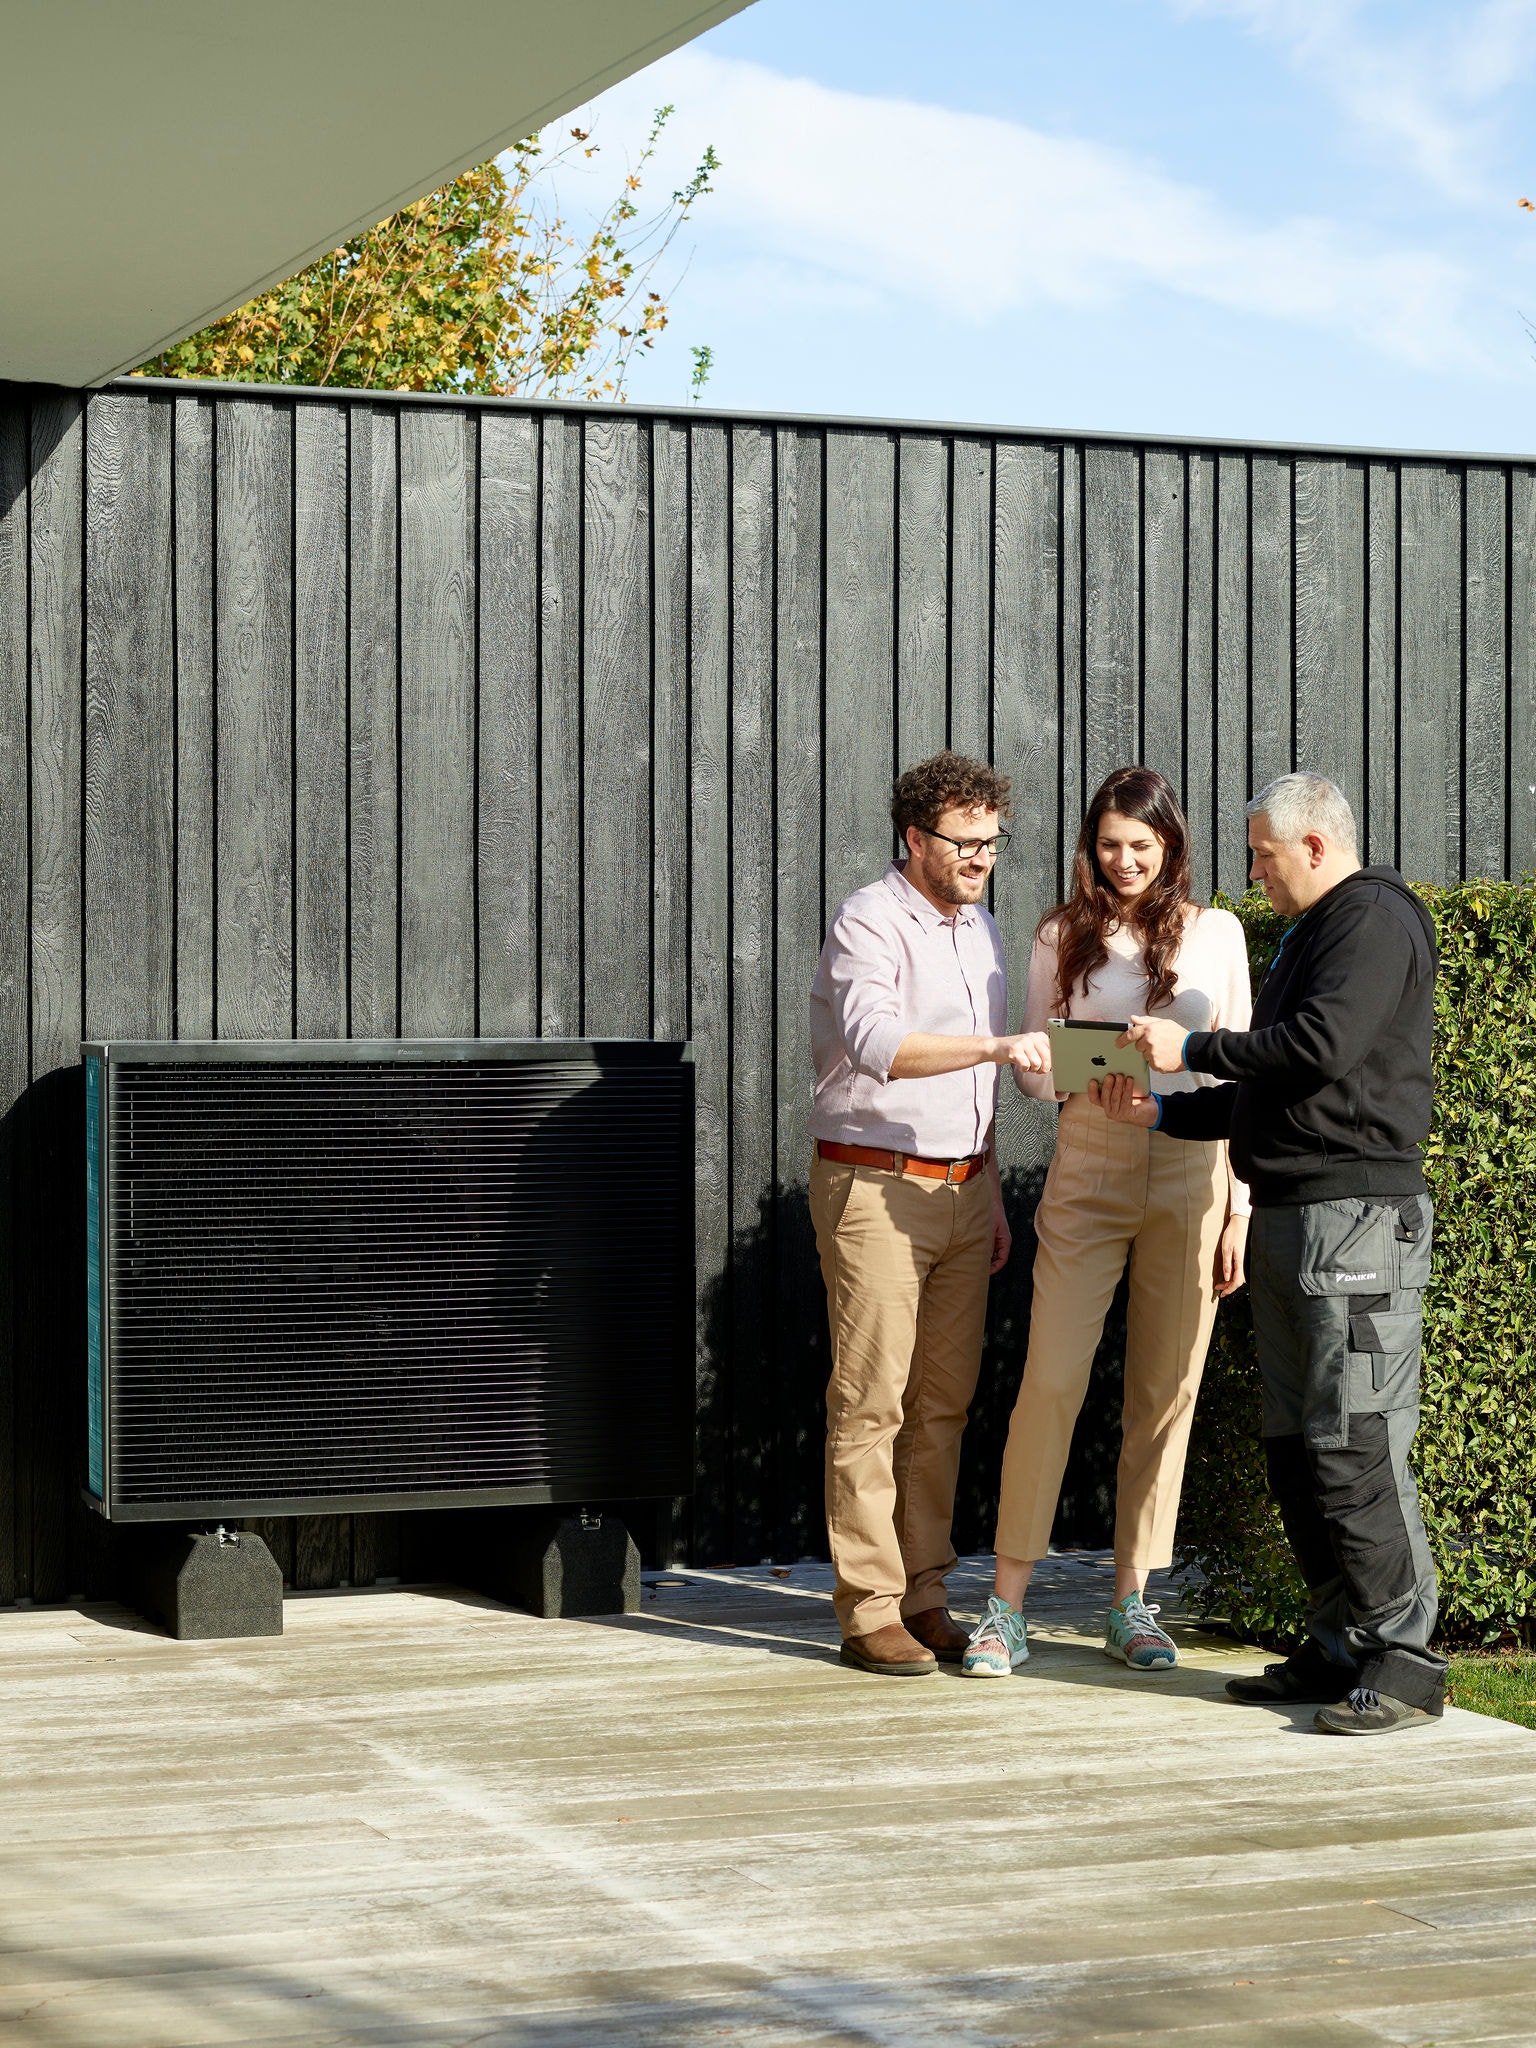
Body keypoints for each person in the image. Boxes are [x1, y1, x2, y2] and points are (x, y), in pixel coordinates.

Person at [1102, 771, 1445, 1736]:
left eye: (1262, 853)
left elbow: (1319, 1047)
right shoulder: (1312, 933)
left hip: (1358, 1223)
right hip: (1301, 1215)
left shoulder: (1372, 917)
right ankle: (1338, 1646)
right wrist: (1165, 1110)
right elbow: (1278, 1083)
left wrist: (1195, 1050)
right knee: (1298, 1450)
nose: (1251, 870)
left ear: (1317, 847)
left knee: (1356, 1443)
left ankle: (1407, 1661)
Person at [960, 767, 1252, 1680]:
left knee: (1165, 1390)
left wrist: (1239, 1206)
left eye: (1142, 845)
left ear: (1171, 845)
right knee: (1051, 1378)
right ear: (1091, 846)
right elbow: (1034, 1075)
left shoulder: (1218, 934)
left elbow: (1239, 1074)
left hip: (1192, 1165)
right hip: (1089, 1154)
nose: (1124, 862)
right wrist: (1064, 1064)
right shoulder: (1060, 932)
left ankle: (1132, 1600)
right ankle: (1005, 1606)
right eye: (1109, 844)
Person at [809, 750, 1050, 1676]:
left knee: (941, 1407)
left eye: (992, 842)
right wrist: (996, 1043)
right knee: (870, 1404)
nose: (982, 858)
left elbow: (990, 1087)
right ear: (915, 838)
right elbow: (876, 1044)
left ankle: (924, 1593)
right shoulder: (869, 920)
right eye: (964, 842)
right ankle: (867, 1608)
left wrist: (988, 1191)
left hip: (962, 1191)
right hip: (875, 1187)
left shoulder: (983, 930)